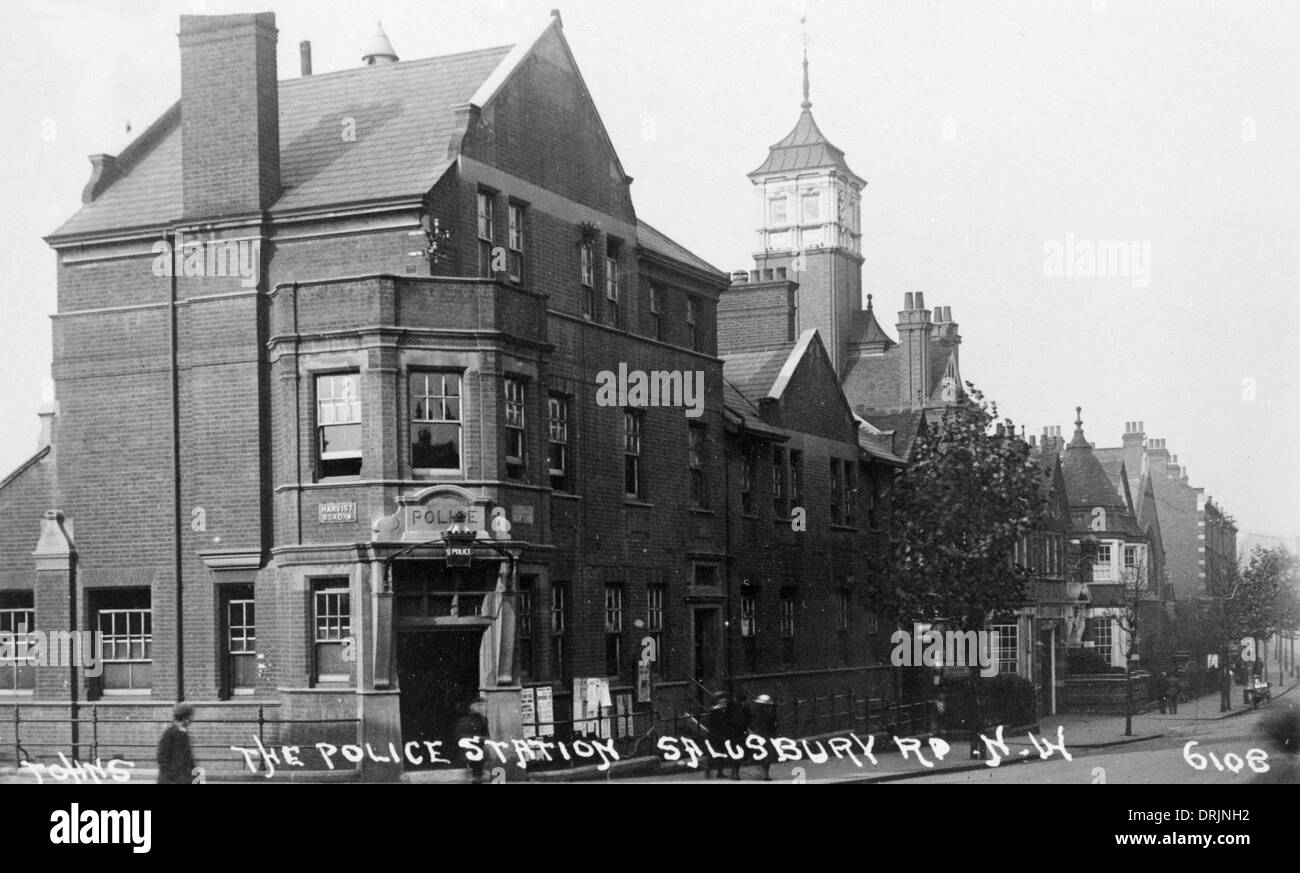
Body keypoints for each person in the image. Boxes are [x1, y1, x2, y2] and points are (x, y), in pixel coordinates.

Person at [156, 702, 197, 784]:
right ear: (184, 717)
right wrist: (173, 776)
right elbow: (162, 757)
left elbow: (188, 759)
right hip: (171, 780)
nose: (191, 720)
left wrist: (195, 777)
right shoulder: (170, 733)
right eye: (190, 717)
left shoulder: (183, 733)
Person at [453, 698, 490, 783]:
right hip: (468, 750)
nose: (482, 708)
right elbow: (459, 735)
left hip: (478, 750)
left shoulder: (482, 719)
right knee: (472, 774)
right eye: (479, 705)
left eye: (483, 705)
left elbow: (485, 734)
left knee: (477, 774)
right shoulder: (465, 719)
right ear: (472, 706)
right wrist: (478, 738)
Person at [749, 694, 777, 781]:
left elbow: (752, 724)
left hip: (757, 735)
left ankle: (763, 772)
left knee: (760, 754)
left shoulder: (755, 713)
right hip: (767, 735)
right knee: (767, 755)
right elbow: (774, 726)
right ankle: (766, 774)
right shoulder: (771, 714)